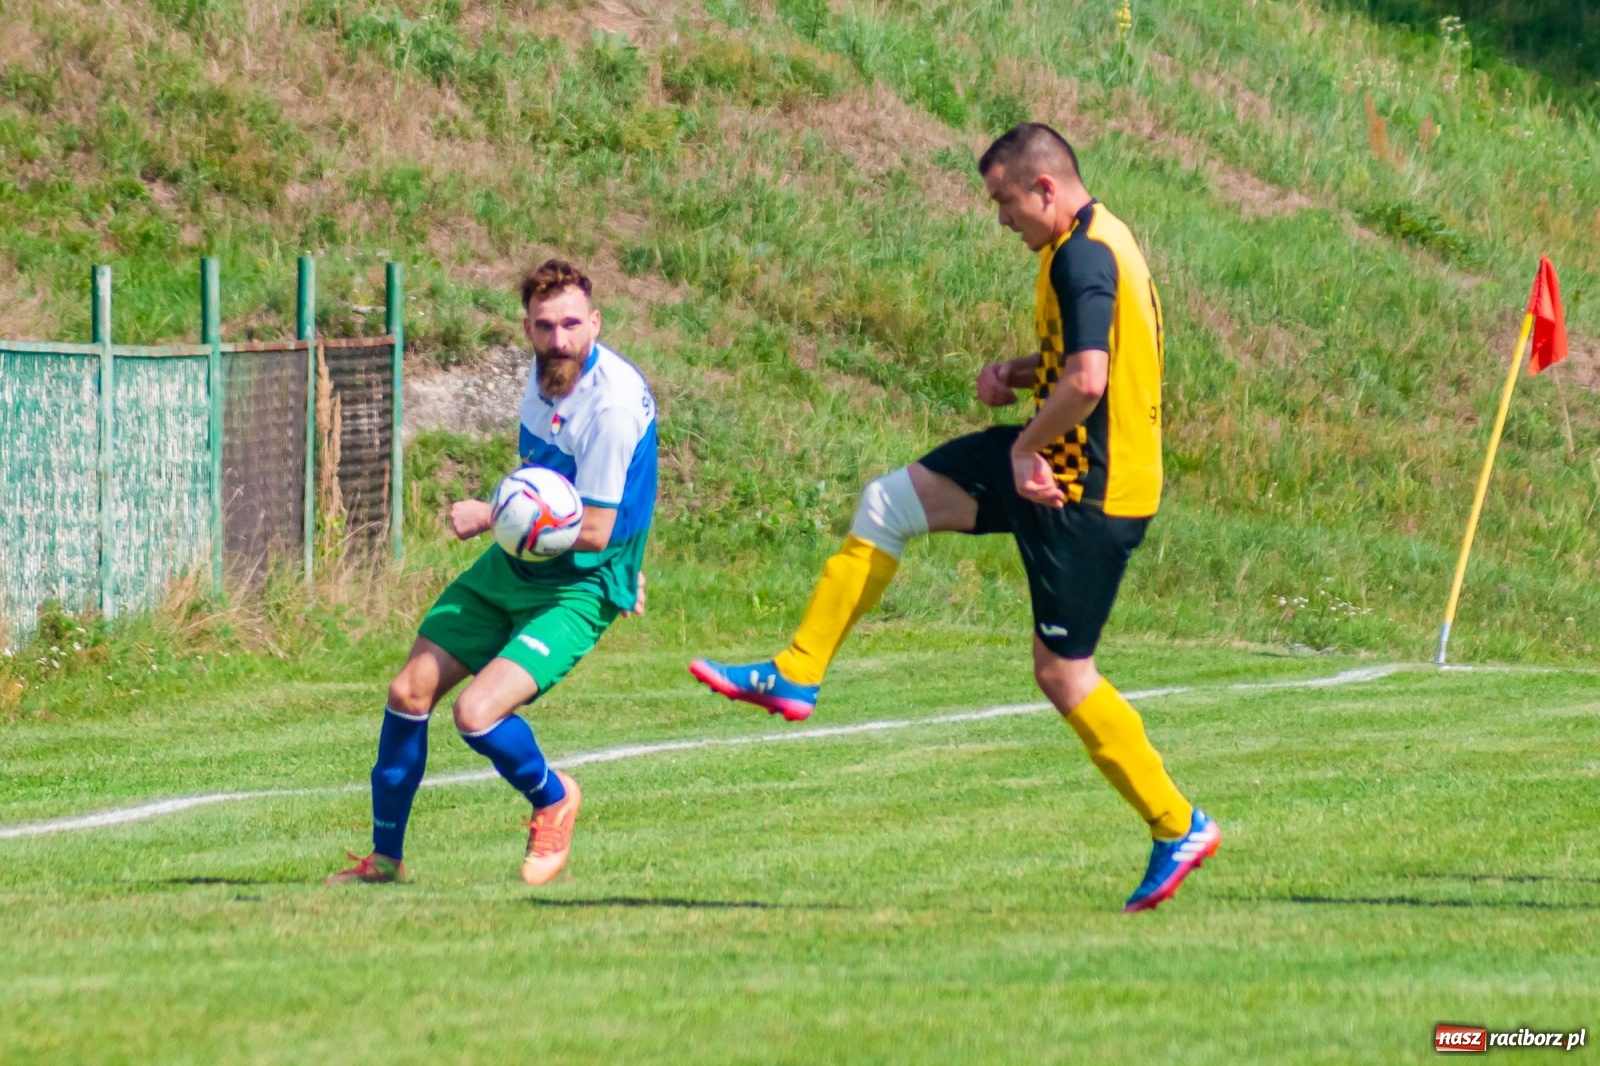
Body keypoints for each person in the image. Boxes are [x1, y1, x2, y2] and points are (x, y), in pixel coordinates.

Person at [689, 123, 1218, 913]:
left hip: (1087, 491)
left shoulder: (1082, 255)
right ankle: (797, 670)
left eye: (1005, 201)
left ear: (1045, 188)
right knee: (887, 502)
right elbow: (1079, 359)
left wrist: (1023, 447)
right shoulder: (1091, 240)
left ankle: (1178, 823)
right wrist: (1016, 372)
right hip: (1057, 465)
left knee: (1063, 675)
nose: (1000, 218)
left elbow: (1089, 380)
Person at [330, 259, 657, 887]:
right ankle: (384, 859)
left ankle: (554, 797)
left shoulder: (610, 406)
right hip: (517, 564)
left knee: (477, 714)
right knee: (408, 693)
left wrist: (490, 514)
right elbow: (547, 484)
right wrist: (514, 518)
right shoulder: (545, 376)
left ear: (596, 323)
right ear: (528, 327)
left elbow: (594, 528)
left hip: (578, 585)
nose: (558, 339)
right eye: (544, 326)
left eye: (570, 325)